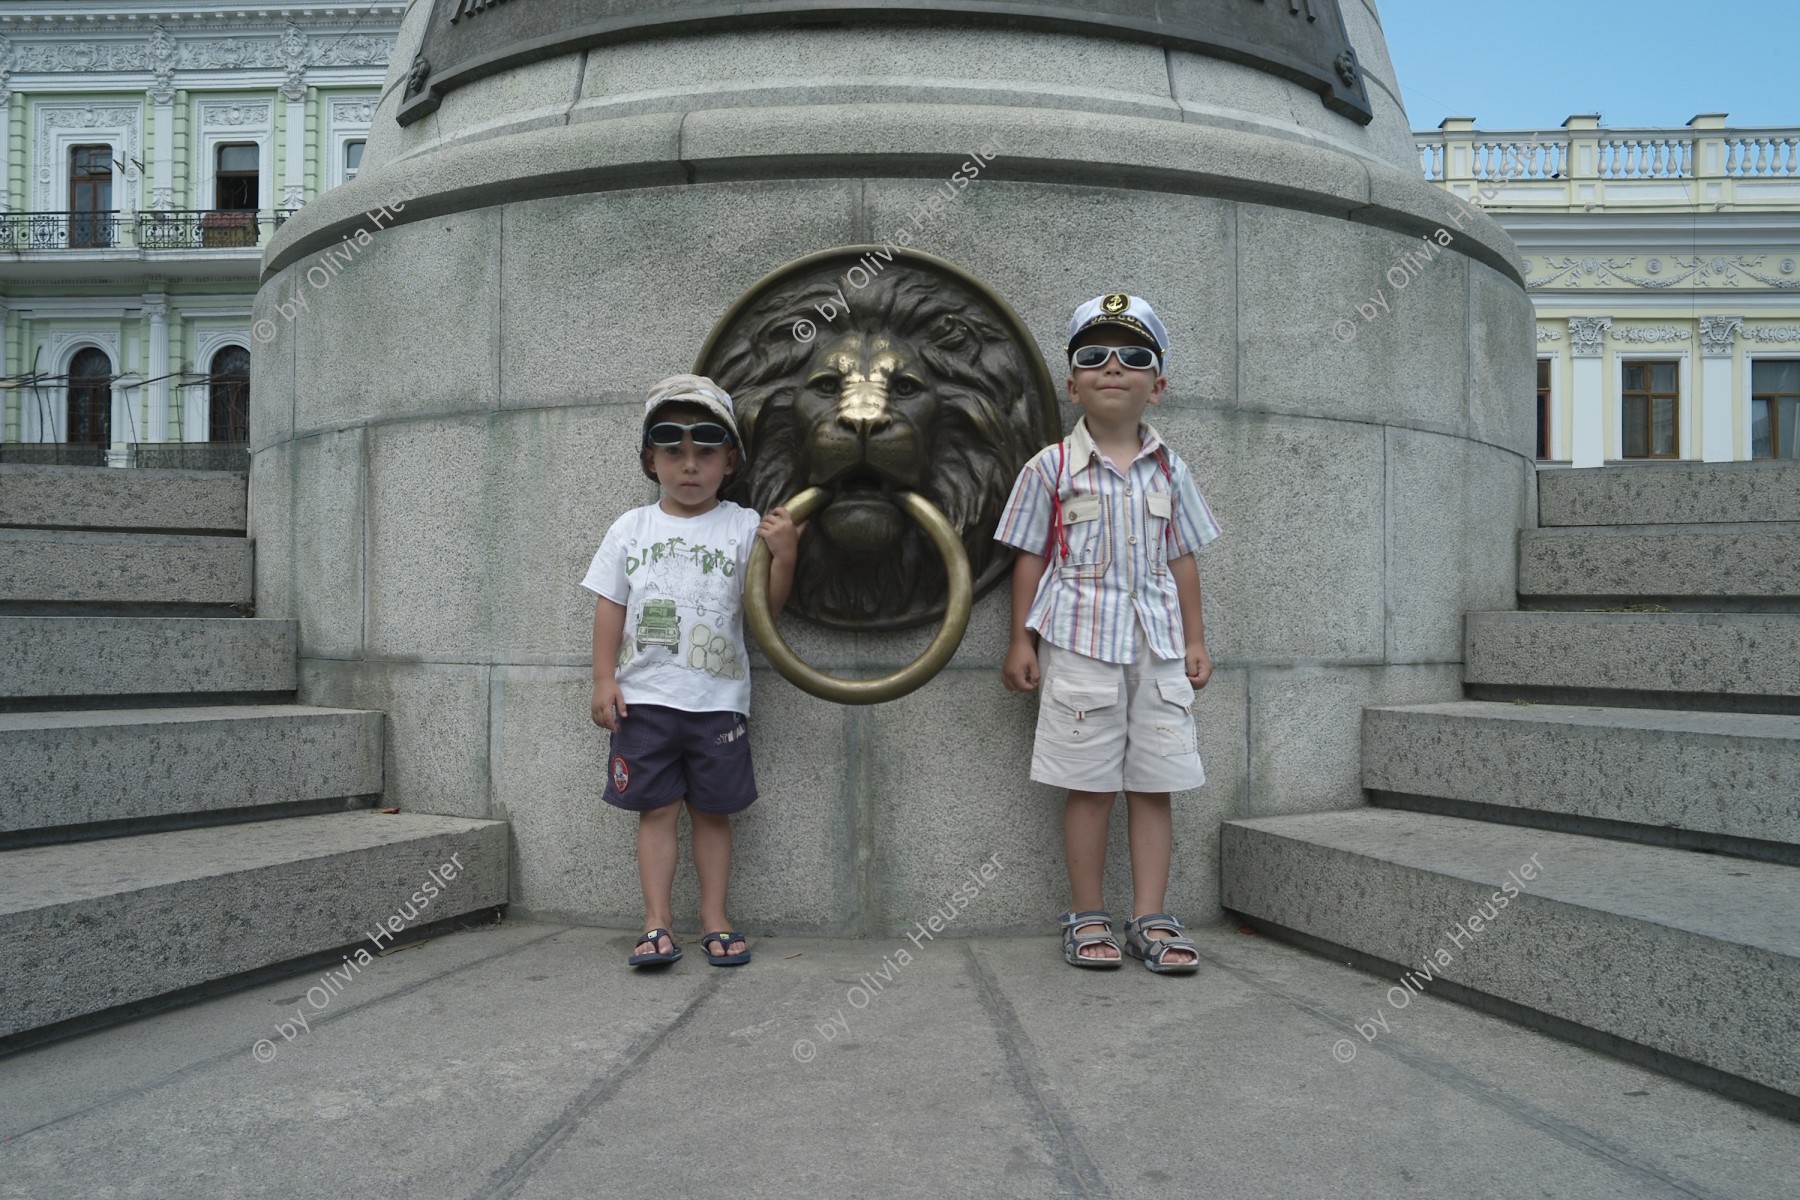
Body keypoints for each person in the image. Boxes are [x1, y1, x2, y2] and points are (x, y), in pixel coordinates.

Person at [995, 294, 1222, 974]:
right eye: (1093, 358)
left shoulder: (1171, 470)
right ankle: (1086, 912)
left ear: (1159, 384)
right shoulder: (1050, 469)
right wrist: (1020, 639)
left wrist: (1196, 639)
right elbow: (1029, 555)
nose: (1113, 368)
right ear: (1071, 384)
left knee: (1154, 785)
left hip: (1157, 649)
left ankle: (1150, 915)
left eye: (1134, 357)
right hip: (1081, 650)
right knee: (1089, 785)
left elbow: (1182, 557)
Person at [582, 374, 800, 969]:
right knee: (657, 811)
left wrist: (785, 556)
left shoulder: (742, 525)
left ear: (730, 460)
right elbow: (610, 605)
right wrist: (604, 679)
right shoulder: (631, 529)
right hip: (645, 699)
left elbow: (766, 613)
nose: (689, 465)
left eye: (706, 450)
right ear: (650, 459)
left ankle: (715, 917)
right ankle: (656, 922)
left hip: (717, 700)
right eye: (672, 450)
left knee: (712, 812)